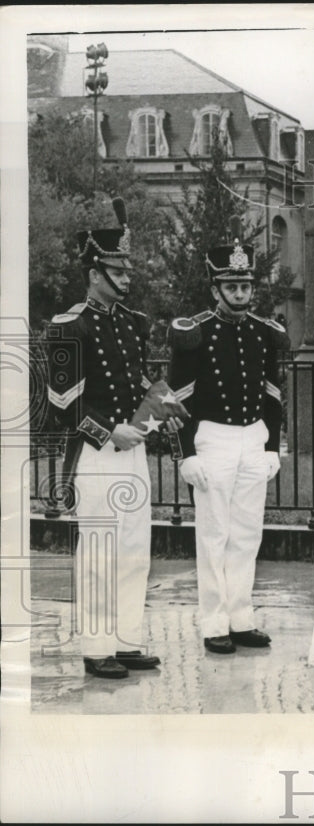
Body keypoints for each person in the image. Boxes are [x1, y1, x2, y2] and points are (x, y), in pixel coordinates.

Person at [46, 199, 171, 679]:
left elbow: (139, 381)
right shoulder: (67, 326)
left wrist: (162, 409)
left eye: (128, 268)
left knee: (136, 546)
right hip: (95, 454)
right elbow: (63, 405)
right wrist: (107, 429)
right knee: (99, 549)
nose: (128, 277)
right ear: (95, 272)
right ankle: (98, 647)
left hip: (131, 448)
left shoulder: (130, 323)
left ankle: (126, 639)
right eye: (118, 269)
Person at [167, 221, 289, 655]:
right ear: (215, 288)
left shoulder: (263, 332)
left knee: (246, 535)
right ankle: (214, 622)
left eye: (245, 284)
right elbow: (177, 399)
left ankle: (241, 618)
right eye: (231, 285)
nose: (240, 293)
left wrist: (273, 445)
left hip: (252, 441)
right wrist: (185, 455)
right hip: (213, 441)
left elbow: (274, 394)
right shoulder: (194, 332)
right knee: (213, 536)